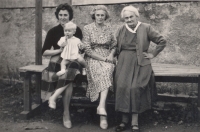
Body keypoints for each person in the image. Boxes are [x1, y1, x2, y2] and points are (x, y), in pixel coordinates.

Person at [114, 6, 166, 132]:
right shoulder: (121, 29)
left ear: (137, 16)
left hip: (141, 63)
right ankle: (123, 121)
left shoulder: (146, 27)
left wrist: (152, 54)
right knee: (122, 87)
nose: (129, 19)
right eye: (126, 18)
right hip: (124, 63)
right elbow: (115, 46)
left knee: (135, 88)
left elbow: (162, 41)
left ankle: (134, 122)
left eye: (131, 16)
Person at [42, 3, 83, 129]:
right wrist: (60, 50)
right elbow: (44, 52)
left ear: (70, 16)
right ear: (57, 16)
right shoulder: (53, 31)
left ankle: (59, 105)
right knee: (68, 79)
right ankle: (66, 113)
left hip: (73, 61)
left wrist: (80, 49)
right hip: (58, 61)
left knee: (70, 72)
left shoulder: (77, 29)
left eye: (65, 15)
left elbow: (80, 50)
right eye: (60, 15)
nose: (63, 17)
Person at [82, 5, 116, 129]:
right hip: (93, 57)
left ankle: (101, 107)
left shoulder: (109, 28)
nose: (100, 17)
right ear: (94, 16)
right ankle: (103, 115)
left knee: (108, 69)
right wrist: (103, 59)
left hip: (107, 56)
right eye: (98, 15)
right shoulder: (87, 28)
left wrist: (111, 55)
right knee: (102, 70)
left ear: (105, 16)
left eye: (102, 15)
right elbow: (87, 49)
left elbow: (114, 45)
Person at [48, 21, 87, 109]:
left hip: (75, 57)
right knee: (63, 63)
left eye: (69, 31)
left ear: (74, 32)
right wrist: (63, 43)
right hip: (66, 56)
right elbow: (59, 44)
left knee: (81, 60)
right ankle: (62, 70)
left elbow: (81, 46)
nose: (67, 33)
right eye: (66, 31)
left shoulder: (76, 39)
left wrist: (82, 46)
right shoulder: (63, 38)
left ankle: (85, 68)